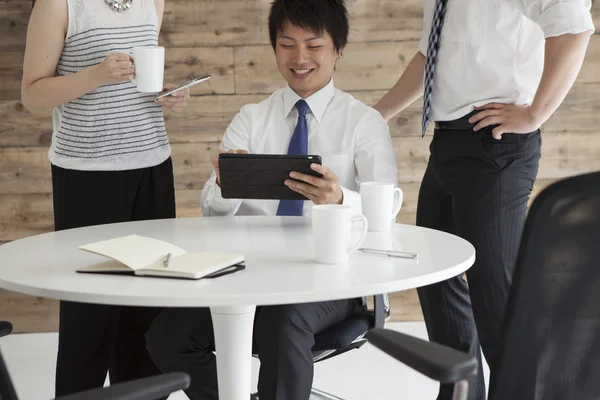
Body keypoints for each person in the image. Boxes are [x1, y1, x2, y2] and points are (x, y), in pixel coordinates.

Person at [144, 0, 398, 399]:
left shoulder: (363, 123)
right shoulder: (251, 119)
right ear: (274, 47)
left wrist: (339, 198)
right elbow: (212, 212)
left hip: (331, 281)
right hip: (249, 274)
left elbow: (386, 215)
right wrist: (225, 182)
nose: (299, 58)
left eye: (314, 46)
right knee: (166, 337)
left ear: (337, 49)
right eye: (287, 44)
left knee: (281, 323)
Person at [373, 1, 594, 398]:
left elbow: (574, 28)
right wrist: (379, 114)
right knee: (436, 283)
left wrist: (533, 114)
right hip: (447, 144)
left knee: (499, 311)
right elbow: (433, 54)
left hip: (495, 148)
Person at [21, 0, 190, 396]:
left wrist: (169, 96)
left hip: (152, 165)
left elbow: (138, 86)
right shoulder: (58, 4)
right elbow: (32, 94)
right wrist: (96, 75)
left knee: (148, 313)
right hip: (86, 174)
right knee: (89, 319)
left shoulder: (152, 2)